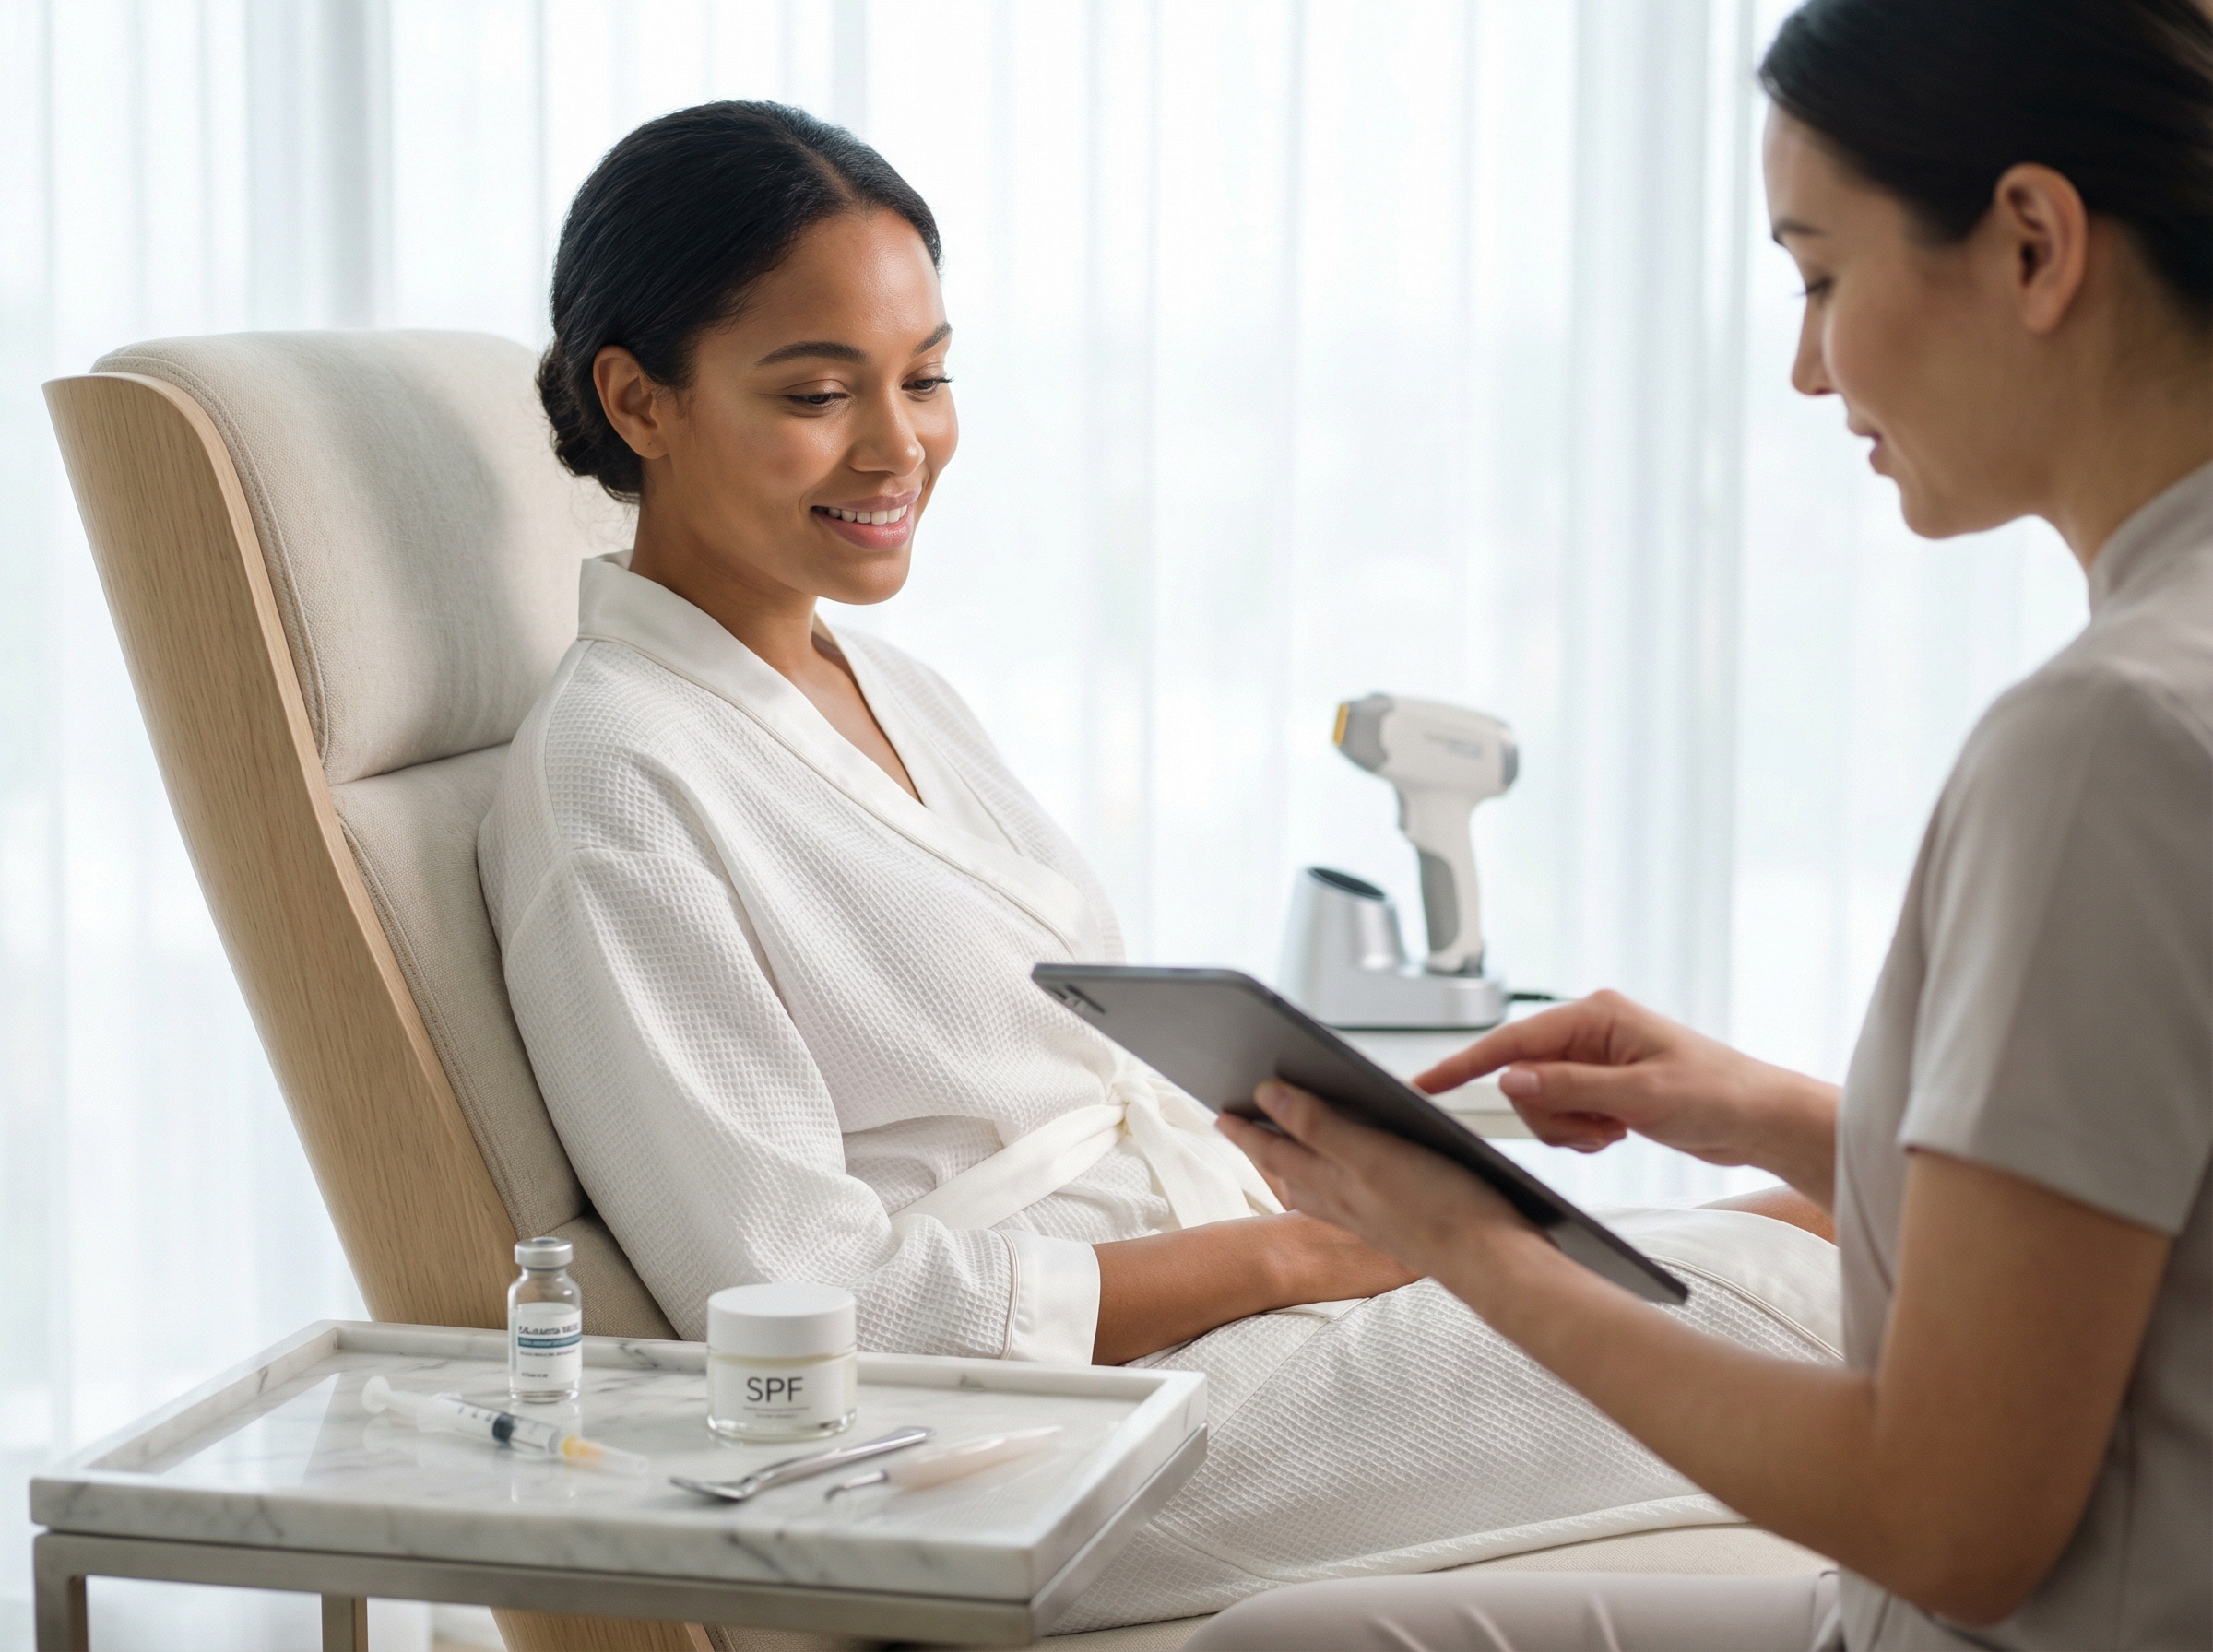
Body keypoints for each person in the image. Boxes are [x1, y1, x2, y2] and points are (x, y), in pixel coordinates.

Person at [478, 100, 1843, 1631]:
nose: (898, 445)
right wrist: (1281, 1257)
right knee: (1806, 1291)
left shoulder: (885, 686)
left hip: (1187, 1313)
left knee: (1819, 1225)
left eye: (927, 377)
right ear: (639, 401)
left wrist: (1337, 1186)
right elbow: (817, 1311)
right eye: (817, 392)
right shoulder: (616, 781)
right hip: (1016, 1444)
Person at [1190, 1, 2213, 1648]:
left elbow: (1953, 1520)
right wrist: (1760, 1112)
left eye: (1820, 275)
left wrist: (1458, 1238)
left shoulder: (2110, 738)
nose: (1808, 367)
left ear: (2033, 242)